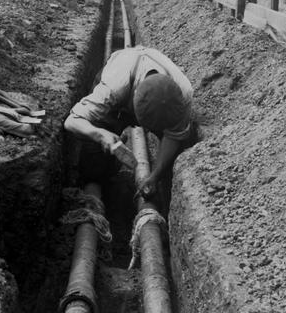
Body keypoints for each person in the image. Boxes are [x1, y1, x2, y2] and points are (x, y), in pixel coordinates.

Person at [64, 45, 196, 199]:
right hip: (124, 79)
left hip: (143, 93)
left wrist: (155, 176)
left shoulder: (183, 94)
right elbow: (72, 120)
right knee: (94, 161)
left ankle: (161, 193)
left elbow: (173, 135)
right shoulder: (114, 87)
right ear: (133, 99)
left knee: (171, 159)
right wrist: (100, 134)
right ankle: (99, 181)